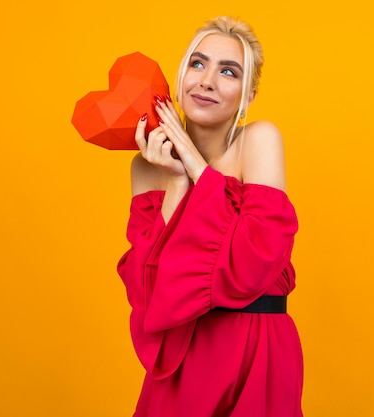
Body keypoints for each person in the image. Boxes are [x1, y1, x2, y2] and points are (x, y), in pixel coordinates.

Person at [117, 16, 303, 417]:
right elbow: (148, 293)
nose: (206, 81)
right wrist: (177, 182)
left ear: (248, 95)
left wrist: (198, 170)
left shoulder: (260, 139)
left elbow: (256, 261)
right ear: (181, 74)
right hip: (183, 357)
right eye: (197, 64)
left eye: (228, 72)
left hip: (257, 351)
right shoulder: (147, 166)